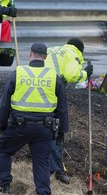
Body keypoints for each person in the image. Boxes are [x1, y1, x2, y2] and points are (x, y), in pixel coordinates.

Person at [0, 42, 68, 195]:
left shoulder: (19, 72)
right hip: (44, 128)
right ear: (46, 57)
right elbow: (62, 108)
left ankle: (4, 186)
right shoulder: (53, 76)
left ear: (30, 54)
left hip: (18, 126)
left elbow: (5, 103)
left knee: (3, 151)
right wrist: (61, 132)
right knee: (41, 163)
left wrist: (1, 124)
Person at [45, 37, 93, 184]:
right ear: (80, 50)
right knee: (57, 129)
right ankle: (57, 169)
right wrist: (85, 73)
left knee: (43, 128)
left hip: (39, 89)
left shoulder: (52, 49)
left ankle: (46, 165)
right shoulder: (73, 53)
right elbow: (71, 75)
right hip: (54, 92)